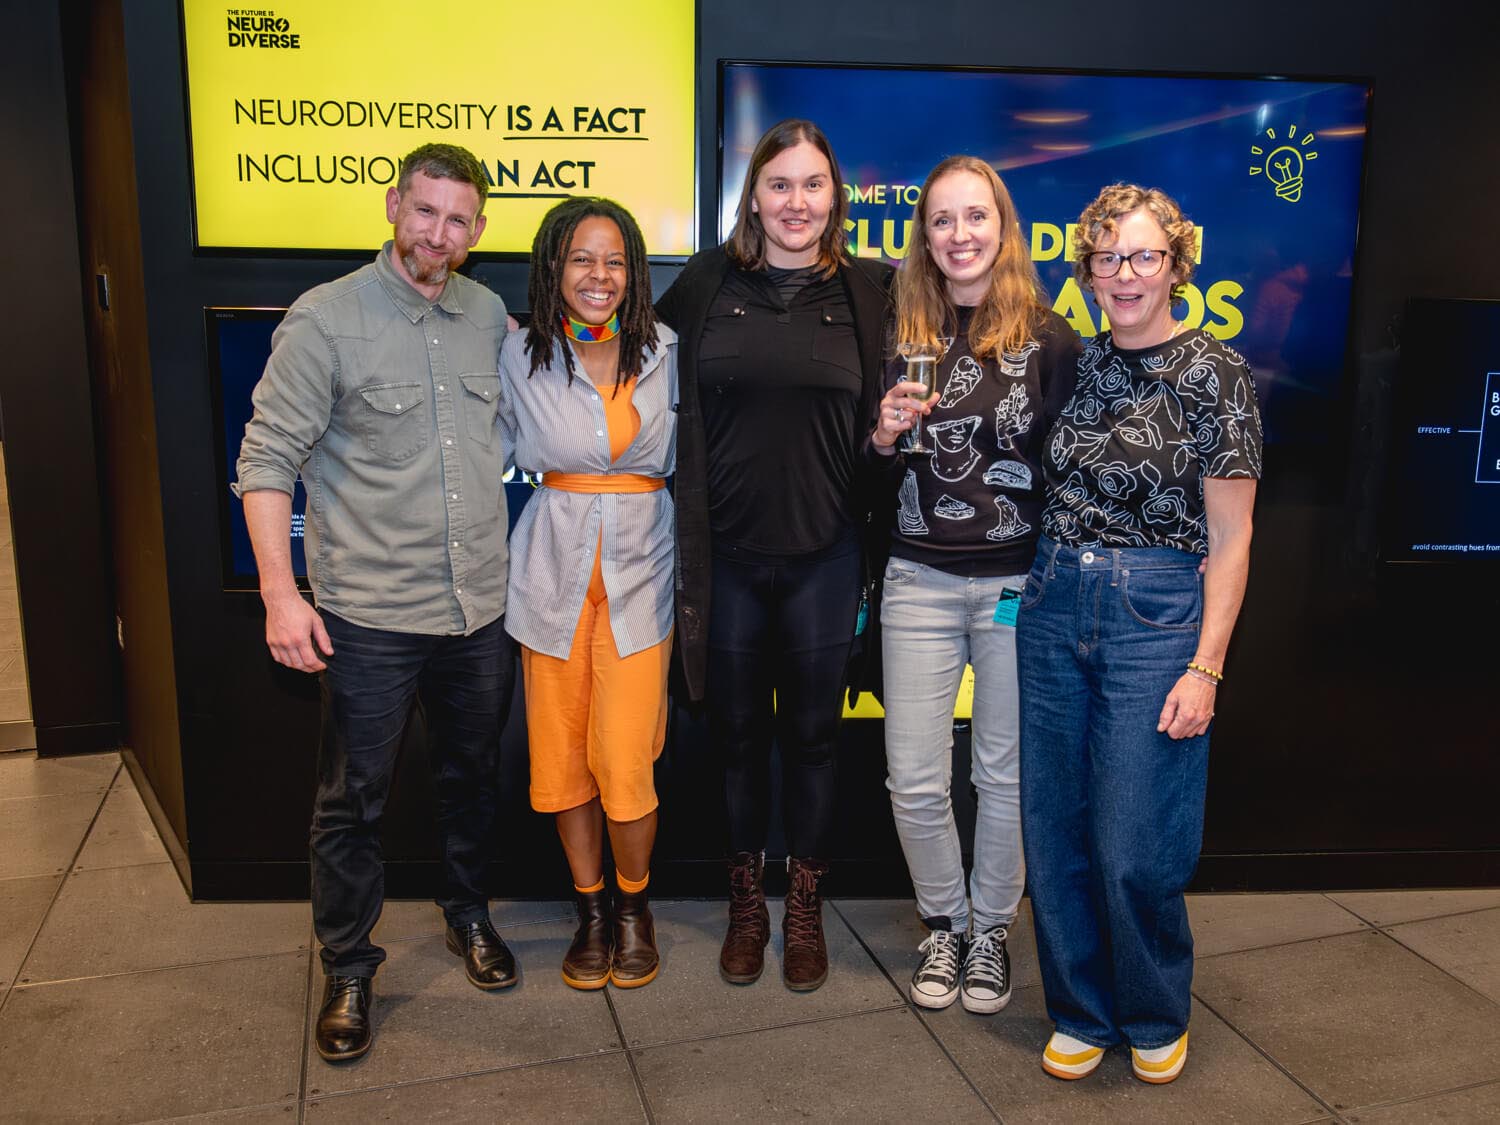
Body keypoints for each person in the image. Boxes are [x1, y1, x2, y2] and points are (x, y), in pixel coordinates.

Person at [235, 143, 517, 1063]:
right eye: (424, 210)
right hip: (368, 617)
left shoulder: (488, 318)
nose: (438, 232)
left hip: (480, 611)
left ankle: (468, 915)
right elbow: (266, 458)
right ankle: (350, 963)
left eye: (458, 219)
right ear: (393, 204)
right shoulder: (326, 319)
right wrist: (282, 592)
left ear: (478, 232)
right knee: (352, 800)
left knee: (472, 779)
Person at [1017, 184, 1261, 1085]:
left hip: (1157, 615)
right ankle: (1080, 1007)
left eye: (1144, 256)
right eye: (1107, 258)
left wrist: (1207, 665)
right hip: (1050, 604)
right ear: (1085, 270)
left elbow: (1233, 538)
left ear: (1177, 265)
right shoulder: (1071, 363)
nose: (1125, 275)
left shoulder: (1217, 373)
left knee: (1135, 836)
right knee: (1055, 827)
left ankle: (1154, 1008)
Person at [656, 119, 892, 991]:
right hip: (727, 564)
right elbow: (632, 368)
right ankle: (746, 905)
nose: (797, 202)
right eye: (781, 184)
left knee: (815, 739)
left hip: (827, 559)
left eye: (814, 185)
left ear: (836, 199)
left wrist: (886, 439)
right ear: (753, 194)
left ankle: (804, 908)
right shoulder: (707, 285)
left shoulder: (872, 291)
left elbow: (883, 443)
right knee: (739, 740)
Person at [869, 156, 1078, 1015]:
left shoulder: (1051, 337)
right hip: (917, 575)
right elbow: (858, 462)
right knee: (914, 778)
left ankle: (991, 928)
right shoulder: (895, 325)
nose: (960, 234)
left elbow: (1070, 474)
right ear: (925, 233)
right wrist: (881, 437)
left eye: (976, 216)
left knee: (1004, 775)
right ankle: (944, 922)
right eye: (943, 219)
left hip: (1015, 583)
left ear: (1003, 225)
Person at [499, 197, 676, 990]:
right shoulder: (519, 355)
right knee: (563, 757)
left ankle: (634, 907)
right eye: (581, 259)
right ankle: (591, 910)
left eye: (614, 261)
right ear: (553, 268)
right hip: (550, 575)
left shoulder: (669, 348)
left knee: (624, 757)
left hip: (643, 576)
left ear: (634, 271)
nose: (599, 276)